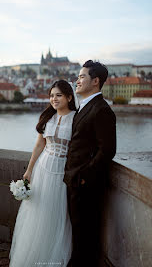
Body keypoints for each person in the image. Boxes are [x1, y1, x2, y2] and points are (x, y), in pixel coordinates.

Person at [9, 80, 77, 267]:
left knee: (58, 212)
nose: (54, 99)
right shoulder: (48, 117)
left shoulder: (76, 119)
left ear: (69, 97)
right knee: (38, 211)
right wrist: (29, 170)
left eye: (58, 95)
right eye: (51, 95)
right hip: (44, 168)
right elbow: (40, 145)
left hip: (63, 171)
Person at [64, 60, 116, 267]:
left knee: (85, 239)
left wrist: (84, 177)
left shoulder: (101, 110)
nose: (77, 81)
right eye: (77, 77)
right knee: (78, 235)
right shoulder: (85, 107)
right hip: (75, 181)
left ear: (95, 81)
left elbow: (107, 150)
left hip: (84, 185)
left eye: (82, 77)